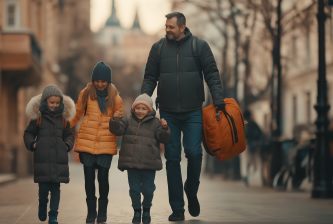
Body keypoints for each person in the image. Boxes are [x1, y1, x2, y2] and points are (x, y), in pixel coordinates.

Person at [140, 12, 225, 221]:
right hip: (167, 113)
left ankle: (191, 190)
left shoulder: (199, 46)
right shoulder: (158, 48)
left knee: (195, 153)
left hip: (194, 111)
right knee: (172, 159)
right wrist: (142, 101)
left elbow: (212, 73)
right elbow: (150, 77)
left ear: (182, 28)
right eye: (166, 26)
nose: (167, 30)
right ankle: (177, 208)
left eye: (171, 27)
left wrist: (218, 99)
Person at [70, 61, 123, 223]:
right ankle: (91, 212)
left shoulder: (116, 98)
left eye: (103, 81)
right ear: (93, 80)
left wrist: (115, 120)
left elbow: (119, 125)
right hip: (87, 141)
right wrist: (62, 127)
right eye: (97, 81)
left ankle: (102, 212)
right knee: (88, 178)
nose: (100, 84)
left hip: (106, 143)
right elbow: (77, 114)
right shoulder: (85, 94)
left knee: (103, 178)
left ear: (109, 81)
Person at [109, 94, 171, 224]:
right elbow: (117, 130)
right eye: (138, 108)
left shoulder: (155, 123)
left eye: (144, 108)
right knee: (134, 189)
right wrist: (114, 120)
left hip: (149, 163)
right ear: (134, 108)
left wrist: (165, 129)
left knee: (148, 189)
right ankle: (137, 211)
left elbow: (163, 139)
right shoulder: (126, 120)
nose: (140, 111)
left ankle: (146, 209)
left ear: (149, 110)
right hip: (131, 163)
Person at [23, 84, 76, 224]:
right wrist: (32, 144)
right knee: (43, 189)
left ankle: (53, 215)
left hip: (59, 160)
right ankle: (42, 205)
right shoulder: (38, 118)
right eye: (52, 102)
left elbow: (70, 136)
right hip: (42, 159)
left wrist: (67, 145)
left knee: (56, 189)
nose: (54, 105)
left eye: (57, 103)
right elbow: (28, 133)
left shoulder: (64, 119)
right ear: (45, 101)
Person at [242, 110, 264, 187]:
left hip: (248, 145)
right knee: (256, 162)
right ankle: (252, 177)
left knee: (248, 162)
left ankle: (247, 177)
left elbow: (245, 134)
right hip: (255, 145)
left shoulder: (245, 123)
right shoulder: (253, 123)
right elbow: (261, 132)